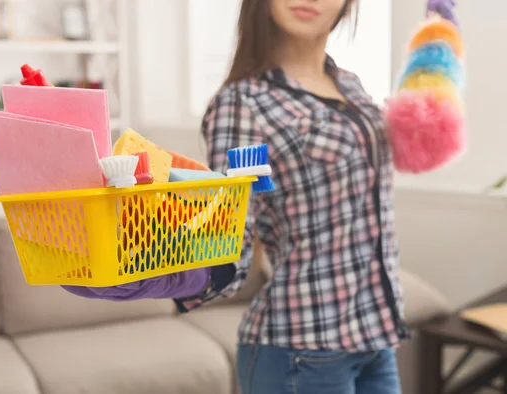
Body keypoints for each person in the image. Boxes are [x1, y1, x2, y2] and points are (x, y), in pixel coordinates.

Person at [62, 0, 461, 392]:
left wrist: (436, 50)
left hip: (377, 336)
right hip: (302, 351)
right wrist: (154, 273)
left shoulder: (352, 86)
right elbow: (230, 234)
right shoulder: (240, 104)